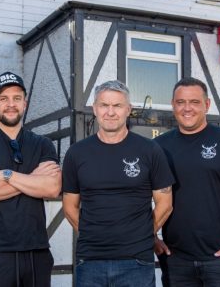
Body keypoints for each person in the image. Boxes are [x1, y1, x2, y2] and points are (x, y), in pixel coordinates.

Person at [62, 80, 175, 287]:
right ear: (95, 109)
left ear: (128, 110)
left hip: (137, 261)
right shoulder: (77, 153)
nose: (110, 112)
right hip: (90, 260)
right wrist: (93, 233)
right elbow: (69, 207)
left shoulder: (149, 150)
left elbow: (165, 204)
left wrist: (141, 235)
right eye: (104, 105)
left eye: (117, 106)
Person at [154, 77, 220, 287]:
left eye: (194, 102)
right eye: (180, 102)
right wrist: (150, 237)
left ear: (207, 105)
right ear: (173, 105)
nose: (187, 108)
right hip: (176, 259)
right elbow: (140, 195)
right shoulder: (158, 147)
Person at [0, 71, 61, 287]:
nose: (10, 104)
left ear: (24, 104)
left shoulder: (42, 144)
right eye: (3, 98)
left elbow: (52, 188)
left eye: (17, 98)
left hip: (37, 252)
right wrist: (33, 180)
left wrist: (6, 174)